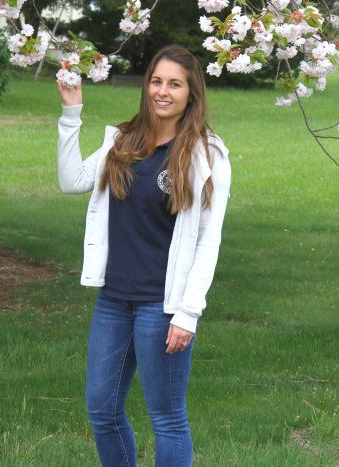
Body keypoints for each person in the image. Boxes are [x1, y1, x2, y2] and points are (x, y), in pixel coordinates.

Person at [57, 45, 232, 467]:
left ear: (192, 93)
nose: (162, 91)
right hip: (115, 300)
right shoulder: (125, 140)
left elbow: (209, 239)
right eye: (156, 81)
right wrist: (71, 113)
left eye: (175, 84)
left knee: (167, 418)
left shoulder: (206, 153)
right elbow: (71, 181)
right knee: (102, 410)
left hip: (163, 306)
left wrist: (187, 313)